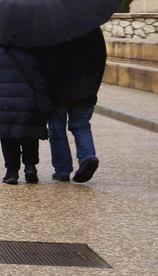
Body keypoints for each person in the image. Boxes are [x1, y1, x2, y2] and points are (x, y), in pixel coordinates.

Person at [30, 27, 106, 183]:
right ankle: (87, 157)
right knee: (81, 125)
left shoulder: (52, 29)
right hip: (86, 89)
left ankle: (62, 169)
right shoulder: (91, 28)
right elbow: (101, 59)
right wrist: (93, 87)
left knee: (57, 129)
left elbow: (45, 62)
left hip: (58, 91)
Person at [0, 42, 51, 184]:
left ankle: (11, 172)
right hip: (31, 100)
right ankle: (30, 167)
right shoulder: (39, 49)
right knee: (30, 132)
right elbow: (48, 75)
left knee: (7, 134)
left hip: (2, 102)